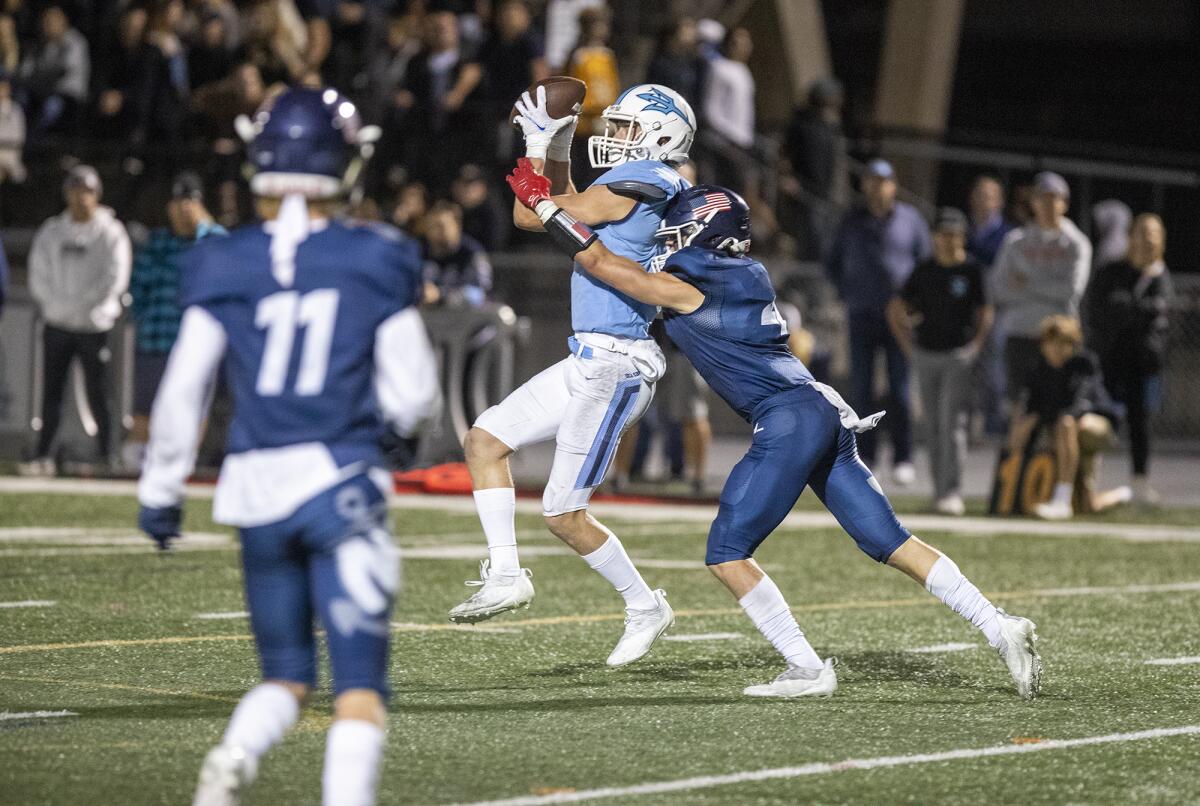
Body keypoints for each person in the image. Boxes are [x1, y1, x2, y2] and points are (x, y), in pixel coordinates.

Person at [509, 168, 1041, 700]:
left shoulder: (692, 285)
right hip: (819, 409)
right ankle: (1000, 626)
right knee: (890, 541)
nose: (668, 237)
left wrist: (550, 207)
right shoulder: (747, 272)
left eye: (677, 229)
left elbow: (600, 262)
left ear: (702, 231)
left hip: (787, 418)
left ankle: (807, 667)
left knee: (726, 552)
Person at [137, 87, 440, 806]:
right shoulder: (375, 255)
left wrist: (160, 491)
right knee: (360, 687)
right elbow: (413, 391)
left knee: (285, 675)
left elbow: (185, 387)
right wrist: (392, 436)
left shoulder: (225, 260)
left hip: (254, 490)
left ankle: (235, 756)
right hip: (338, 482)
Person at [448, 83, 696, 669]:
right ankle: (507, 573)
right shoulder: (631, 186)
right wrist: (557, 139)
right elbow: (554, 204)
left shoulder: (655, 182)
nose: (614, 137)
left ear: (663, 137)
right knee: (485, 440)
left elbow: (533, 211)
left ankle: (644, 605)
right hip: (587, 355)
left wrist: (539, 142)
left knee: (563, 513)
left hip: (618, 363)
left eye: (628, 128)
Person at [22, 166, 131, 475]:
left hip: (94, 326)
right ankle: (43, 453)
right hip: (57, 324)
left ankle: (107, 455)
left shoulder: (111, 232)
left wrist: (81, 306)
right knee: (51, 393)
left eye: (86, 191)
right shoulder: (52, 231)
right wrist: (60, 306)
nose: (80, 198)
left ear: (97, 195)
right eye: (75, 190)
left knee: (101, 394)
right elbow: (38, 276)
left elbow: (115, 278)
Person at [827, 159, 930, 485]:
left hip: (899, 319)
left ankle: (903, 456)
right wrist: (847, 292)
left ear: (893, 185)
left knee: (899, 390)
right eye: (871, 180)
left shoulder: (910, 220)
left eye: (883, 180)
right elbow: (832, 263)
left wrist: (915, 304)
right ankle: (865, 453)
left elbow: (925, 265)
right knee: (861, 387)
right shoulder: (851, 221)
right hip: (862, 313)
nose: (877, 187)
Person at [888, 208, 993, 515]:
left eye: (954, 235)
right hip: (926, 353)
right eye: (943, 235)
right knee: (932, 425)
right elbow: (896, 307)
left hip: (957, 354)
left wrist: (976, 346)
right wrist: (908, 345)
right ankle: (938, 491)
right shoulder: (924, 270)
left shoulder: (972, 270)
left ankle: (952, 490)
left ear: (962, 238)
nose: (948, 241)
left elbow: (986, 310)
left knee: (953, 424)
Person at [125, 172, 226, 470]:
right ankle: (137, 466)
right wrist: (144, 320)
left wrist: (204, 225)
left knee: (194, 408)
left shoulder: (213, 241)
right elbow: (137, 288)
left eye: (190, 202)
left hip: (197, 346)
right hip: (156, 339)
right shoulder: (156, 242)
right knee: (146, 407)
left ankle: (184, 464)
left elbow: (230, 266)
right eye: (178, 202)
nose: (183, 209)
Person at [1085, 213, 1173, 504]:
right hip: (1108, 358)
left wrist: (1127, 309)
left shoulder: (1161, 276)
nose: (1147, 240)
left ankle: (1140, 482)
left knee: (1140, 423)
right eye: (1142, 232)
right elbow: (1101, 310)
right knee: (1096, 418)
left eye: (1153, 234)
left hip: (1142, 363)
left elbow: (1157, 314)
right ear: (1131, 236)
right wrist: (1137, 311)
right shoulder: (1112, 271)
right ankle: (1085, 482)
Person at [1006, 316, 1127, 520]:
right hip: (1068, 436)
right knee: (1089, 505)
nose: (1057, 350)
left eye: (1064, 344)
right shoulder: (1038, 369)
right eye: (1052, 344)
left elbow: (1078, 405)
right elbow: (1031, 407)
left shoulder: (1083, 363)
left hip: (1095, 427)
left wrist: (1046, 417)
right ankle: (1122, 494)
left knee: (1066, 422)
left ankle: (1061, 501)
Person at [991, 171, 1092, 413]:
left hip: (1058, 337)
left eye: (1054, 198)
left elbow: (1070, 291)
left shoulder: (1076, 243)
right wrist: (1048, 286)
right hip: (1020, 333)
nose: (1047, 204)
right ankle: (1018, 452)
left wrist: (1026, 283)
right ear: (1033, 202)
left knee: (1058, 410)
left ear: (1065, 203)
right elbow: (999, 289)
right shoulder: (1015, 241)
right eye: (1041, 198)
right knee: (1019, 406)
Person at [17, 5, 89, 134]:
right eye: (45, 22)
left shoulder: (75, 42)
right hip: (42, 92)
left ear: (63, 22)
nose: (48, 26)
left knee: (52, 107)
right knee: (21, 98)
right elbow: (25, 72)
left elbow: (64, 70)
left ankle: (36, 141)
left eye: (52, 22)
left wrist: (41, 75)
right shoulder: (40, 44)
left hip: (67, 96)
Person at [419, 199, 492, 308]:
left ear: (457, 226)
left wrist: (441, 295)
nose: (435, 232)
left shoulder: (471, 252)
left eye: (441, 226)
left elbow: (479, 293)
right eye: (431, 226)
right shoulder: (420, 251)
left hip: (463, 317)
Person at [965, 175, 1012, 267]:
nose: (982, 201)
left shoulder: (1011, 235)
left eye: (988, 197)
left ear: (1000, 202)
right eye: (978, 195)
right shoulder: (962, 229)